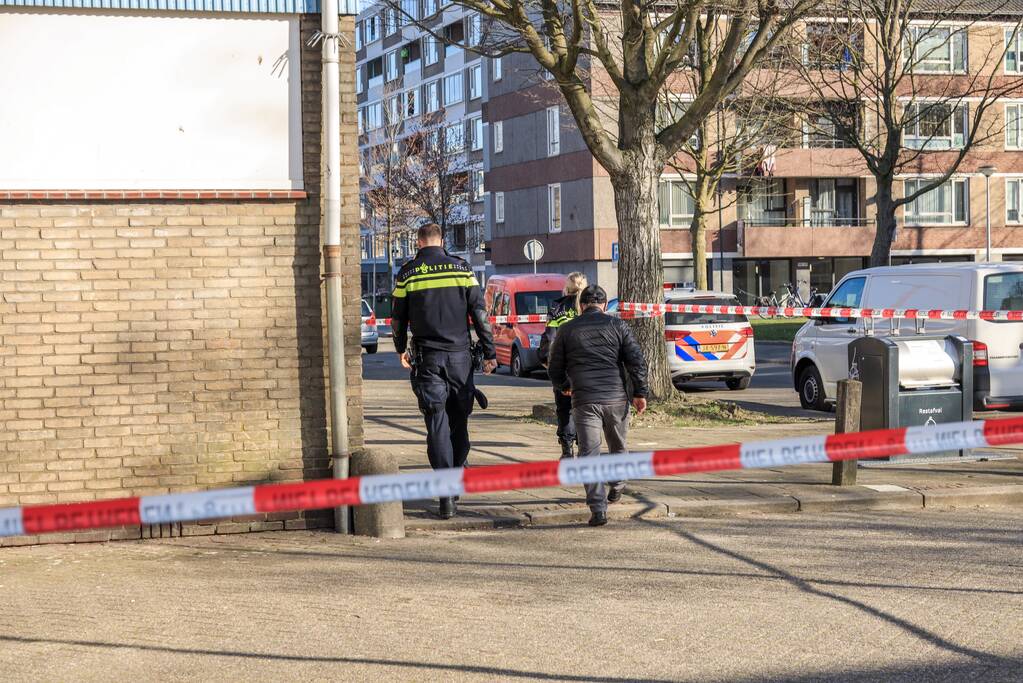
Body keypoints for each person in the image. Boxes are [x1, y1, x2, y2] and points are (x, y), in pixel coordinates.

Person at [391, 223, 497, 519]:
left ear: (419, 241)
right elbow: (479, 313)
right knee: (459, 423)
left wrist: (401, 348)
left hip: (428, 361)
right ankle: (456, 476)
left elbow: (398, 318)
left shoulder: (408, 273)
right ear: (441, 240)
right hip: (460, 360)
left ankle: (446, 496)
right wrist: (489, 352)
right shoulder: (461, 269)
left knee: (436, 424)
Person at [547, 285, 648, 527]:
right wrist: (640, 392)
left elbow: (554, 367)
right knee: (617, 446)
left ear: (581, 305)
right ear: (603, 304)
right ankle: (618, 483)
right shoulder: (618, 326)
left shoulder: (566, 329)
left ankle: (598, 508)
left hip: (584, 401)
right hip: (615, 398)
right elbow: (636, 360)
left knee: (588, 454)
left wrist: (564, 386)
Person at [537, 272, 588, 458]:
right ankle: (586, 447)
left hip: (564, 367)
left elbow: (549, 337)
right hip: (587, 368)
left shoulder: (557, 307)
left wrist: (545, 359)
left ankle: (567, 450)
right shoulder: (589, 307)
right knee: (585, 409)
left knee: (565, 409)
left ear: (566, 287)